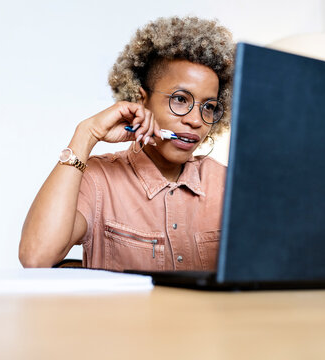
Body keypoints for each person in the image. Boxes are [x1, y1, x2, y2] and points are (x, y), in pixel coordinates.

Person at [19, 16, 235, 271]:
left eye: (208, 107)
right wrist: (86, 134)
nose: (196, 120)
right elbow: (36, 257)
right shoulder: (98, 179)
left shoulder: (229, 186)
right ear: (141, 100)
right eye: (179, 99)